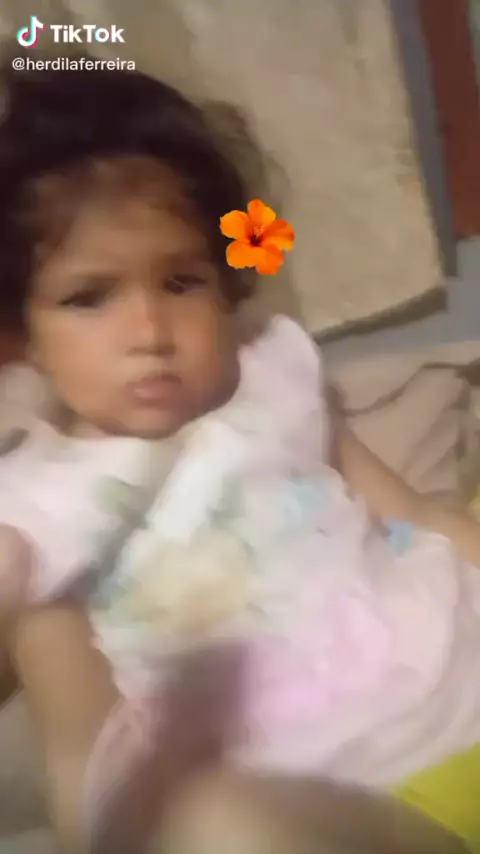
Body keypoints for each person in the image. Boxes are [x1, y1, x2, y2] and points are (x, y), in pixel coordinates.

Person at [0, 63, 480, 854]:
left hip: (459, 663)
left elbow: (418, 515)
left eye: (181, 281)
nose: (149, 331)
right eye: (90, 297)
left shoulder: (270, 375)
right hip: (353, 808)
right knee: (220, 829)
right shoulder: (34, 509)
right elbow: (81, 760)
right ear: (23, 333)